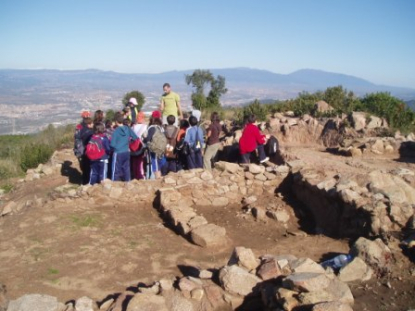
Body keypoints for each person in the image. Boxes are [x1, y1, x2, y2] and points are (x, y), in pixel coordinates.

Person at [110, 114, 138, 182]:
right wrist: (128, 142)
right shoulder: (128, 128)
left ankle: (114, 183)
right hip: (126, 151)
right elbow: (135, 137)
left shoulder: (116, 131)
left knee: (115, 170)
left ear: (116, 122)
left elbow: (112, 144)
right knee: (126, 168)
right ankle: (127, 182)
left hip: (118, 152)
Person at [143, 111, 166, 179]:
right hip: (162, 149)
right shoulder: (161, 128)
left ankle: (158, 180)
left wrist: (144, 138)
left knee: (155, 167)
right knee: (160, 165)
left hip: (154, 149)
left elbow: (148, 139)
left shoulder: (152, 127)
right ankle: (161, 178)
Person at [131, 111, 147, 180]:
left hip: (133, 147)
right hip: (141, 146)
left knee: (134, 162)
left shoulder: (133, 127)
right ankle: (140, 176)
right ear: (143, 118)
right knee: (140, 162)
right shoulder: (145, 127)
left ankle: (135, 175)